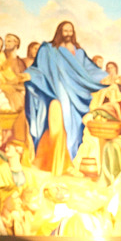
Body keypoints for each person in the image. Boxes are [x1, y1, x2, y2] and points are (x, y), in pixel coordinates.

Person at [24, 20, 109, 159]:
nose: (68, 33)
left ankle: (74, 157)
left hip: (78, 93)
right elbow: (38, 69)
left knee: (77, 123)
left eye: (70, 30)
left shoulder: (79, 52)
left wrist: (105, 77)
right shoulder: (49, 50)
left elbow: (90, 69)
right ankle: (65, 157)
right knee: (64, 119)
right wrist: (30, 75)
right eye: (65, 30)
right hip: (59, 90)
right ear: (59, 31)